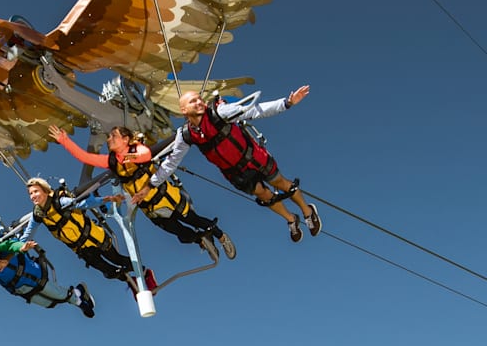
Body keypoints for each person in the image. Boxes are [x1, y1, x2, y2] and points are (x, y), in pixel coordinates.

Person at [156, 85, 320, 242]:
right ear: (184, 110)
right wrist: (151, 184)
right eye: (193, 101)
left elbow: (253, 111)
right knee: (264, 195)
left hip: (253, 157)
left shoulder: (219, 113)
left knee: (280, 183)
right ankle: (291, 219)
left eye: (200, 99)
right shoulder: (185, 135)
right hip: (235, 173)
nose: (199, 102)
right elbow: (171, 162)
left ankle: (308, 211)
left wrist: (287, 103)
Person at [47, 124, 235, 261]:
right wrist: (64, 140)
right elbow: (86, 157)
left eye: (113, 136)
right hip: (150, 208)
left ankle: (220, 236)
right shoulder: (112, 161)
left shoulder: (136, 149)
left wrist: (124, 158)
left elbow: (145, 155)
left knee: (196, 220)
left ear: (126, 139)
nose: (108, 139)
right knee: (182, 234)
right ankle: (201, 240)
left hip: (166, 198)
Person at [25, 177, 136, 287]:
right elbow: (28, 233)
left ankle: (143, 272)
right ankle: (129, 281)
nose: (33, 196)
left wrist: (108, 199)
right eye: (30, 193)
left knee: (117, 259)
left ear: (44, 190)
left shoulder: (60, 201)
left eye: (36, 191)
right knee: (109, 271)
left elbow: (84, 204)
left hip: (94, 237)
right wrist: (16, 246)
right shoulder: (38, 215)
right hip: (82, 249)